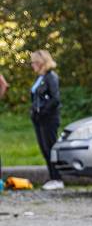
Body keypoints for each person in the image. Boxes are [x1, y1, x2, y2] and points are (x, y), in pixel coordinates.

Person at [29, 50, 63, 190]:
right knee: (44, 149)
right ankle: (52, 177)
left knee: (50, 147)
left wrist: (42, 111)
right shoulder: (40, 77)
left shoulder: (51, 77)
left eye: (34, 62)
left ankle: (57, 179)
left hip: (49, 118)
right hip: (39, 119)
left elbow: (55, 99)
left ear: (41, 62)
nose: (32, 65)